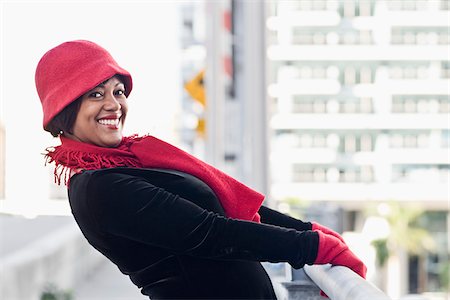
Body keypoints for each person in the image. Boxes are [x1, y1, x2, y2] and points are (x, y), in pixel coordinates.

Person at [35, 40, 367, 299]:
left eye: (118, 91)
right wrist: (312, 247)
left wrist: (309, 229)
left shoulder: (131, 163)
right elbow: (212, 232)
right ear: (65, 109)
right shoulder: (99, 188)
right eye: (95, 93)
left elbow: (233, 209)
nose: (113, 104)